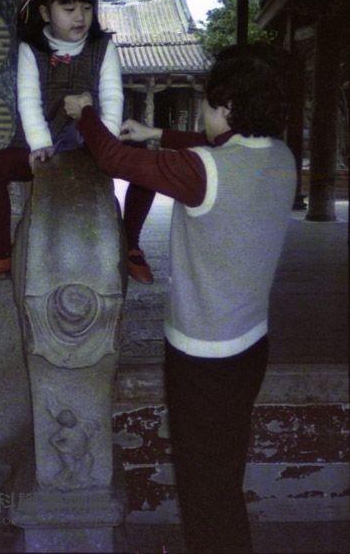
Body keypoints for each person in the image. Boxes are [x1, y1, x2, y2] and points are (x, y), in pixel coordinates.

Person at [64, 43, 297, 552]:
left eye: (208, 105)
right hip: (251, 347)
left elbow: (113, 159)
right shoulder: (281, 157)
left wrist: (85, 114)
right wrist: (157, 134)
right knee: (224, 472)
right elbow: (216, 144)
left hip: (202, 358)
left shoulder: (202, 170)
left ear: (228, 107)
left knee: (200, 484)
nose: (203, 116)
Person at [0, 0, 154, 284]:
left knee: (145, 159)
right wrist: (39, 145)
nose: (80, 17)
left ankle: (130, 244)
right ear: (45, 12)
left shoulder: (103, 47)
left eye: (86, 8)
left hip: (93, 140)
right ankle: (1, 254)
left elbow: (112, 95)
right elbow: (28, 99)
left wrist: (105, 142)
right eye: (68, 8)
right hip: (45, 143)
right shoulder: (32, 49)